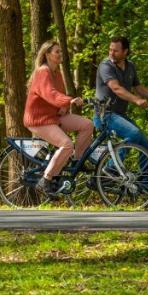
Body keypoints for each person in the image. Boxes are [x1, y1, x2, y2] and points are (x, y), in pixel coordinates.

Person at [24, 40, 94, 195]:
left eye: (61, 52)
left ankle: (78, 159)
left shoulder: (57, 73)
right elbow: (50, 94)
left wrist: (64, 106)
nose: (60, 54)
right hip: (39, 119)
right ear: (47, 54)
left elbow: (58, 96)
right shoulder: (43, 71)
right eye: (57, 52)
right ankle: (46, 179)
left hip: (54, 116)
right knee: (67, 144)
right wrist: (69, 101)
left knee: (87, 125)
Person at [94, 36, 148, 157]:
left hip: (120, 115)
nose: (111, 53)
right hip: (105, 115)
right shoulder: (106, 66)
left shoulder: (130, 66)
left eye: (115, 51)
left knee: (146, 146)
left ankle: (143, 176)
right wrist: (136, 100)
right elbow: (116, 88)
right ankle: (111, 169)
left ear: (125, 51)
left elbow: (139, 88)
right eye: (110, 50)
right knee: (133, 134)